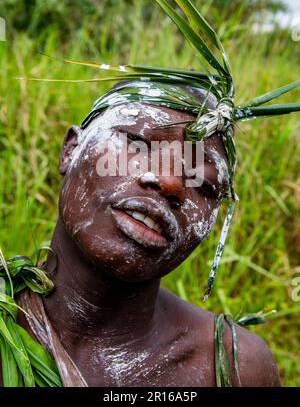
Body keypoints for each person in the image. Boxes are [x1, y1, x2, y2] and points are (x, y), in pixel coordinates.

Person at [12, 82, 280, 387]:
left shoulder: (234, 368)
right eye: (138, 145)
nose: (171, 182)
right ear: (71, 149)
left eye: (203, 183)